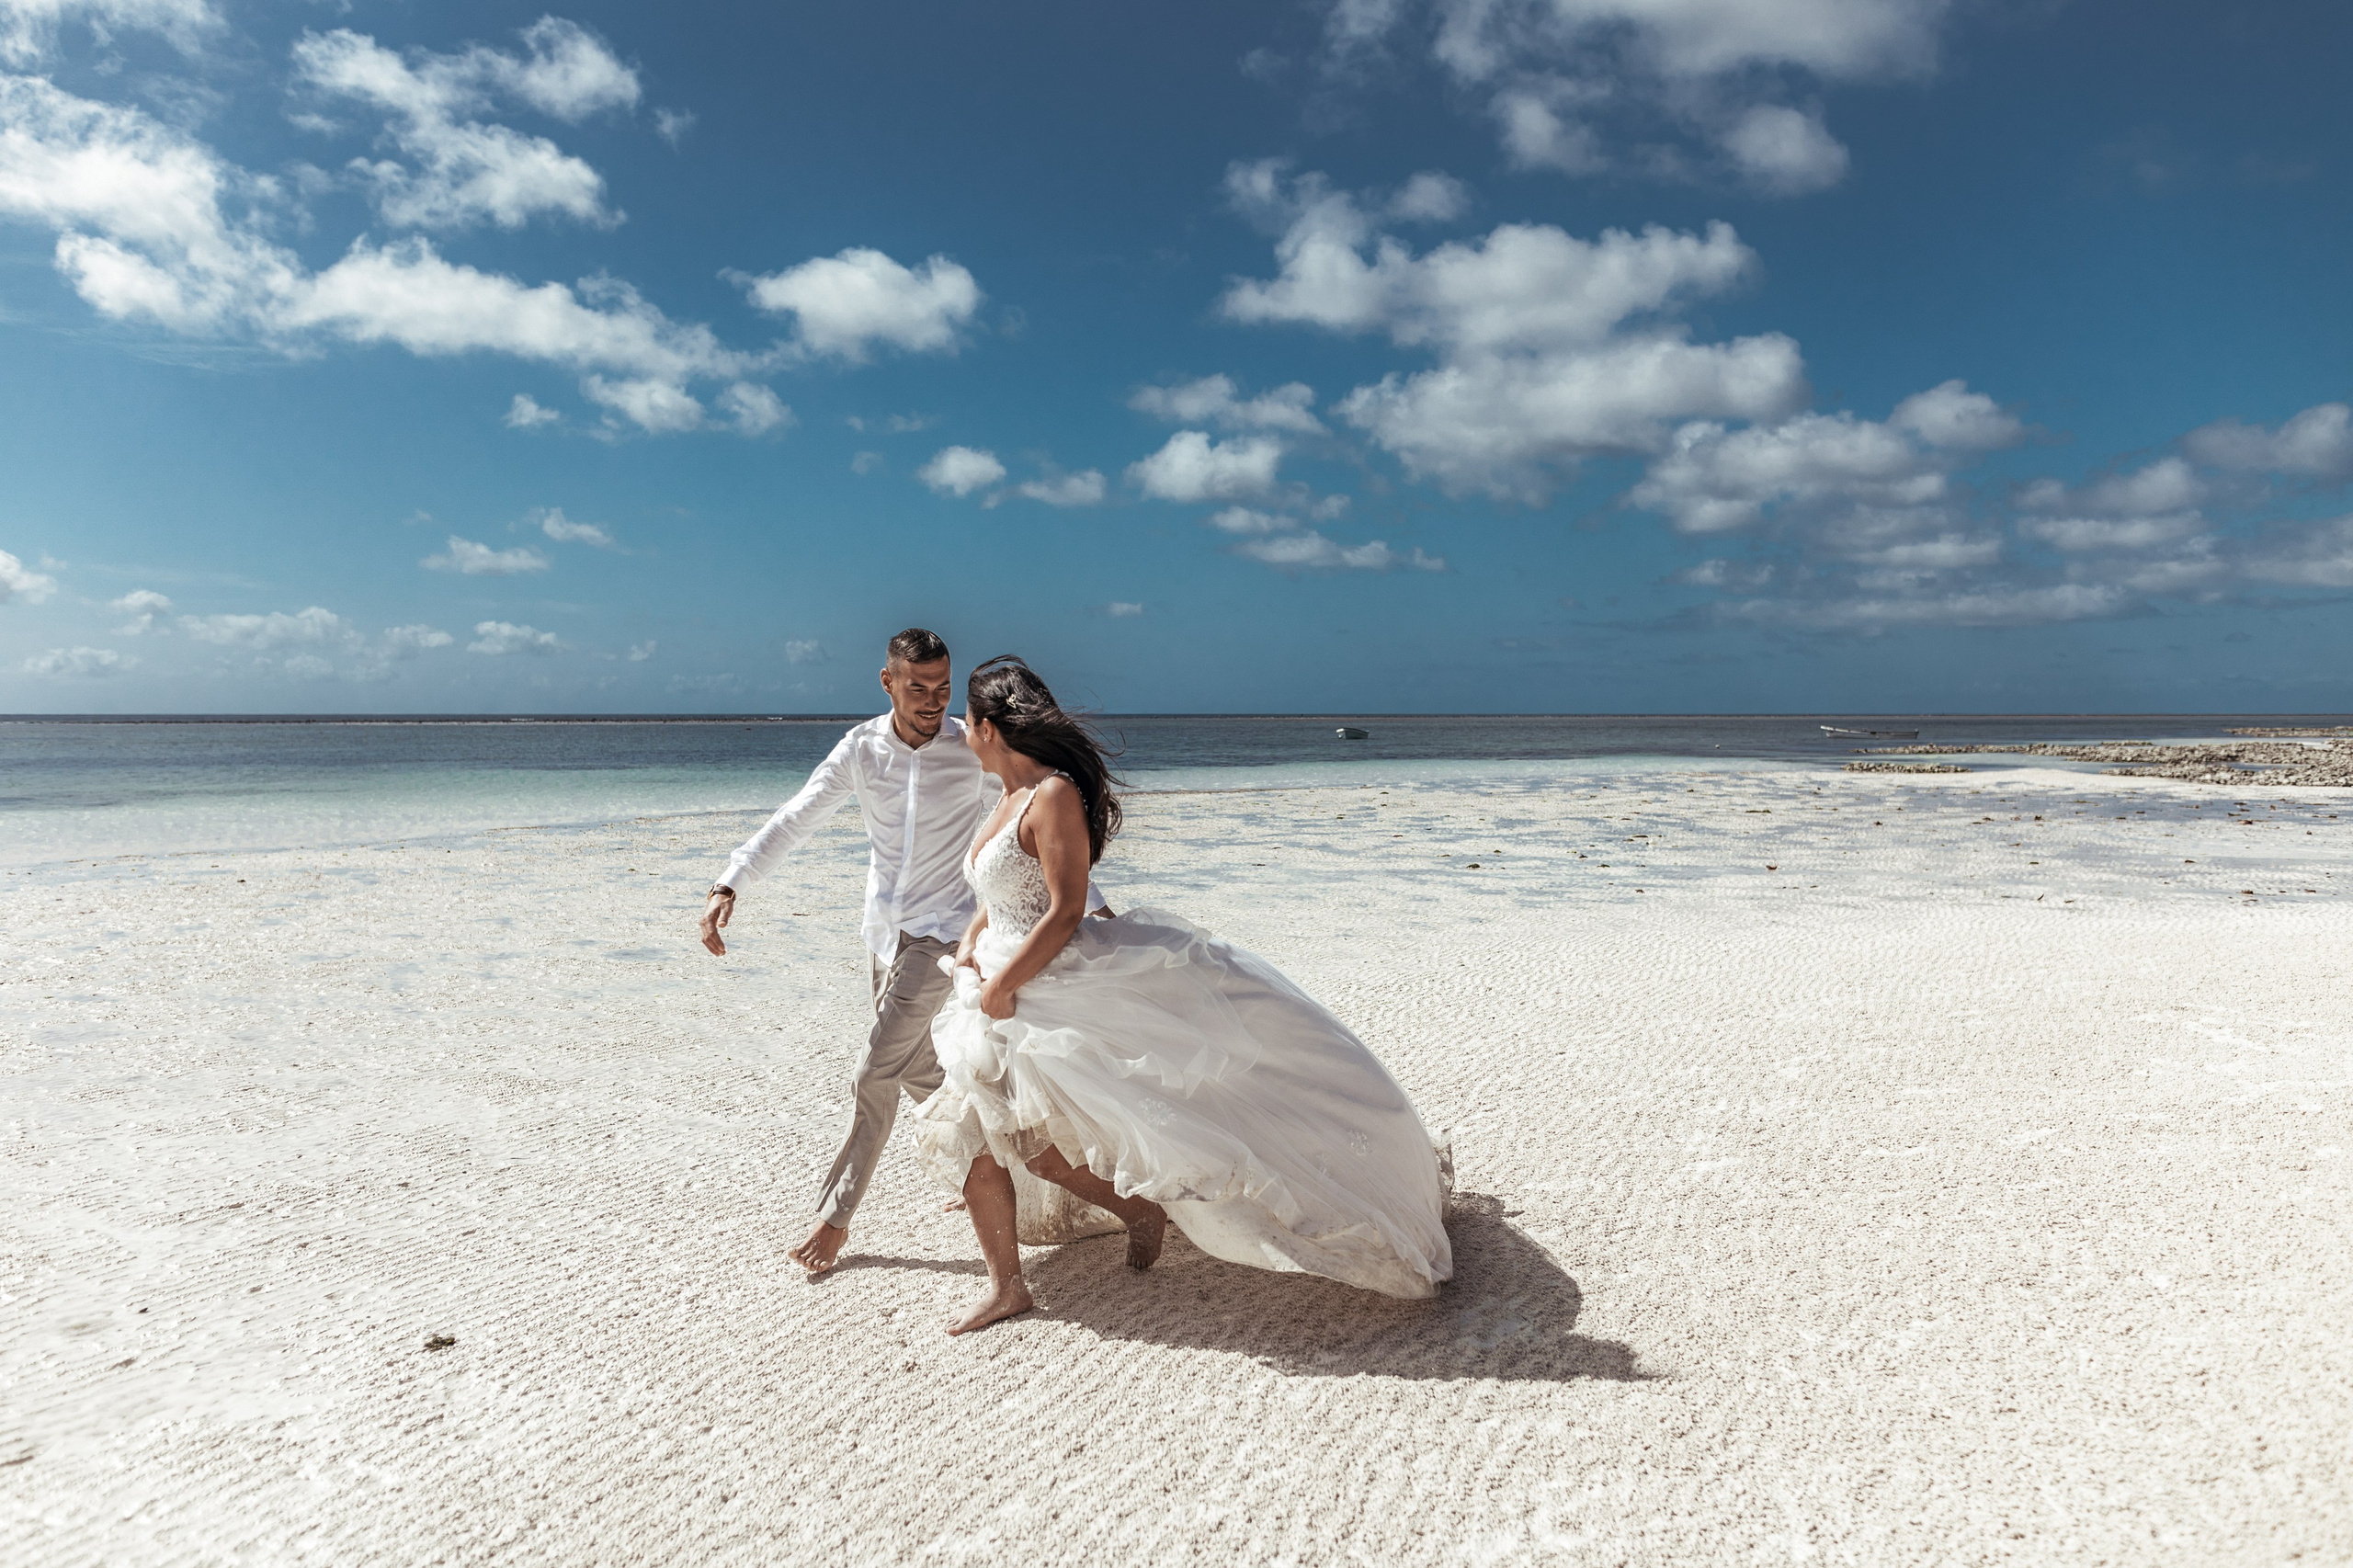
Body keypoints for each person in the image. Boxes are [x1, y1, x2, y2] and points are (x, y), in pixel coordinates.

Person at [912, 655, 1454, 1335]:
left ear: (990, 728)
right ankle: (1121, 1218)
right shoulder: (1004, 797)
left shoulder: (1052, 795)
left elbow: (1066, 908)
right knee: (1017, 1140)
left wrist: (1004, 984)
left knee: (1005, 1134)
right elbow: (999, 892)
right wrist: (971, 940)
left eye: (966, 720)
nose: (961, 731)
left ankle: (1026, 1276)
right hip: (996, 984)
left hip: (1042, 988)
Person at [698, 629, 1103, 1276]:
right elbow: (797, 817)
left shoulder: (970, 749)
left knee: (874, 1073)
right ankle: (997, 1173)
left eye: (943, 689)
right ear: (887, 682)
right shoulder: (861, 749)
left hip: (944, 936)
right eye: (918, 688)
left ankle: (834, 1217)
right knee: (923, 1075)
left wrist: (1088, 907)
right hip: (884, 934)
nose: (933, 702)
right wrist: (731, 882)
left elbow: (1019, 824)